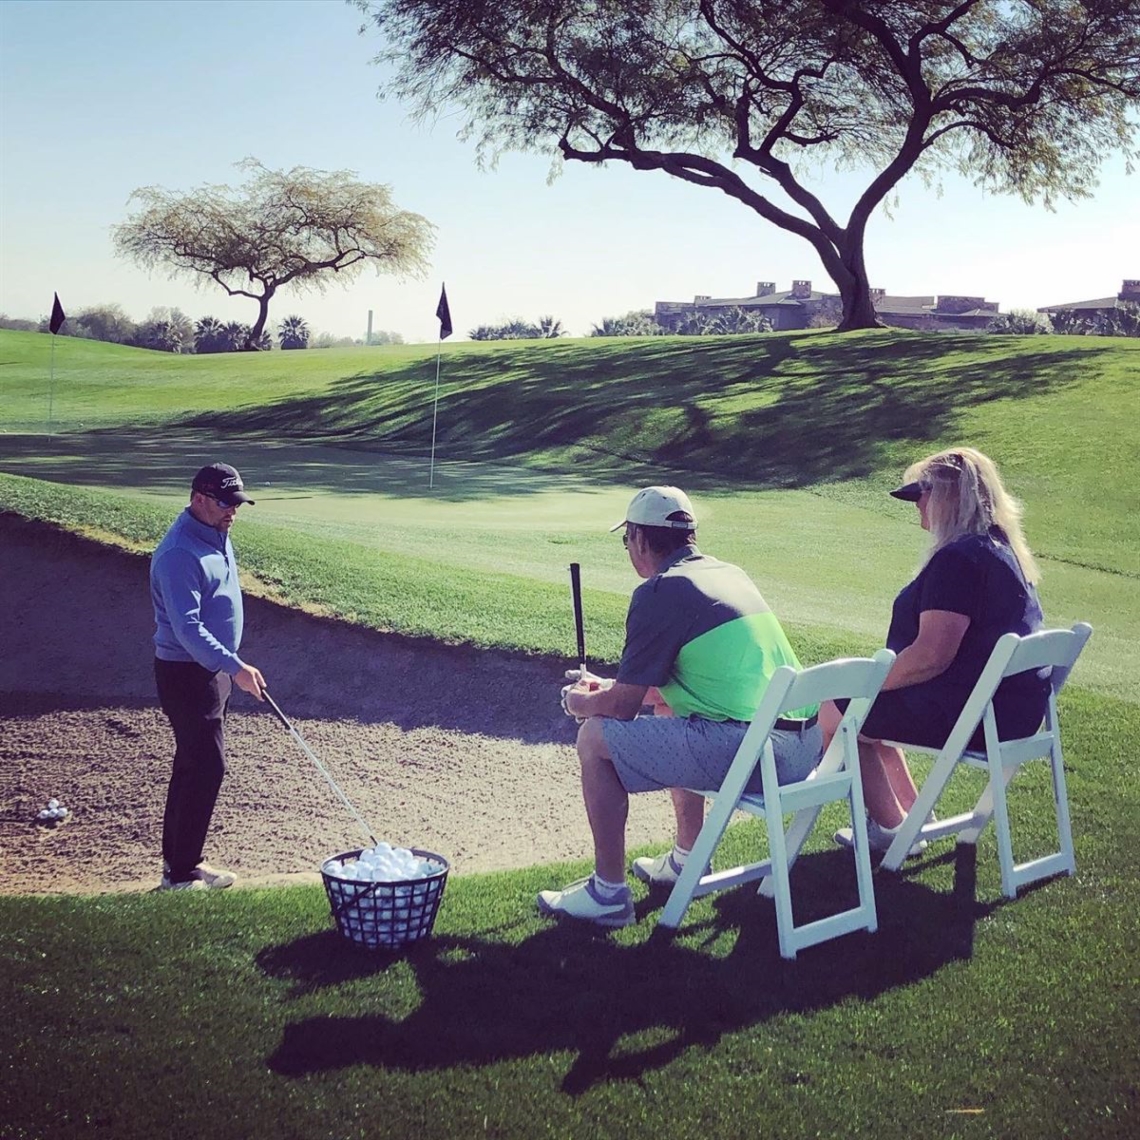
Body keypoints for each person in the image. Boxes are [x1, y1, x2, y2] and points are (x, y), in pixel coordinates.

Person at [538, 486, 822, 928]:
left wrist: (578, 702)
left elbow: (623, 708)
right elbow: (676, 685)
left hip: (757, 755)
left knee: (593, 738)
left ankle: (608, 894)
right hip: (802, 749)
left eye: (626, 540)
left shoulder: (659, 591)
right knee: (673, 708)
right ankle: (688, 860)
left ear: (640, 538)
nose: (628, 549)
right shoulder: (729, 573)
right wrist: (612, 687)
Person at [827, 447, 1048, 856]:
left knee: (837, 711)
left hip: (974, 715)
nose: (917, 506)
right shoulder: (1000, 551)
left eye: (920, 494)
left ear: (949, 495)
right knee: (867, 706)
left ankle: (892, 833)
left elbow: (932, 656)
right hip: (1008, 713)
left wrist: (868, 685)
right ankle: (912, 817)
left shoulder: (959, 560)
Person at [150, 462, 267, 891]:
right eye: (224, 503)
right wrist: (235, 667)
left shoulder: (216, 534)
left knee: (191, 764)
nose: (232, 512)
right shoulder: (181, 553)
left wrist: (227, 666)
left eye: (236, 504)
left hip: (212, 670)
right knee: (207, 765)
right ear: (198, 498)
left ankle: (181, 865)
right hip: (186, 673)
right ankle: (180, 876)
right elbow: (188, 628)